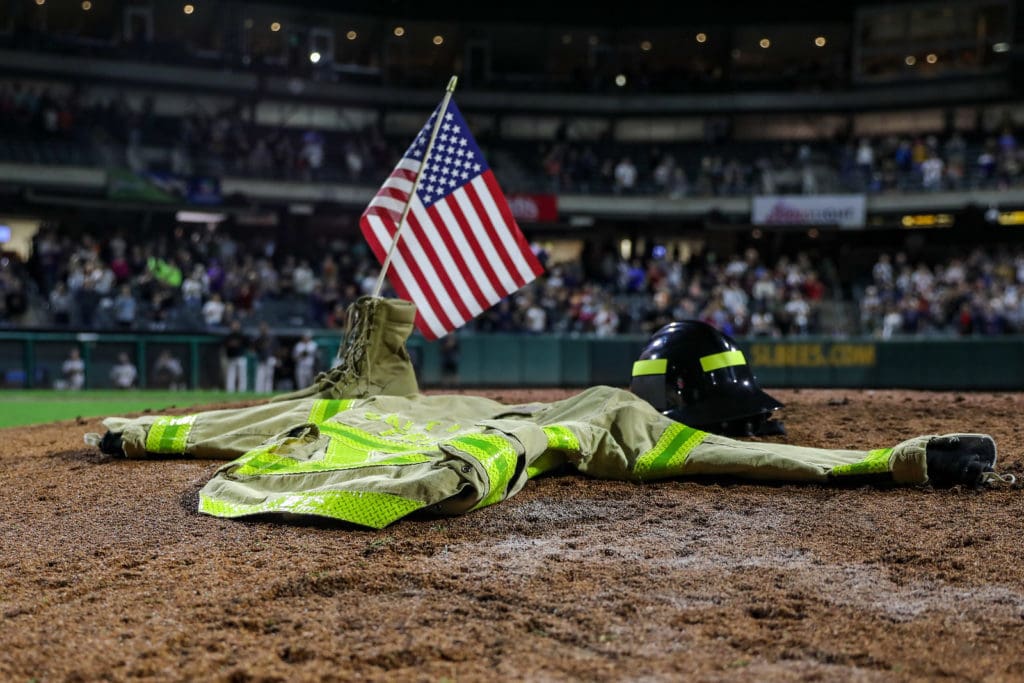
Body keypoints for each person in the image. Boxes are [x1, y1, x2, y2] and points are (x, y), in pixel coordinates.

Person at [88, 300, 1015, 532]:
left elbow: (227, 427)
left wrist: (132, 434)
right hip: (435, 477)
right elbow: (731, 456)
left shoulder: (359, 398)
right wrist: (894, 458)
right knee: (515, 448)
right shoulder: (602, 407)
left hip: (287, 478)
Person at [222, 320, 249, 393]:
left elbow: (247, 344)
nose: (234, 326)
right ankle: (230, 390)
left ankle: (242, 391)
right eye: (233, 325)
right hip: (231, 358)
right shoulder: (229, 336)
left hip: (241, 357)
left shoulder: (242, 335)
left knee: (242, 375)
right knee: (231, 375)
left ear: (239, 326)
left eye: (236, 325)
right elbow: (224, 345)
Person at [253, 322, 278, 394]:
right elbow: (255, 348)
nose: (263, 329)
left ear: (267, 329)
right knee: (260, 376)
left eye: (264, 328)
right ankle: (258, 392)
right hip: (260, 359)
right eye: (261, 328)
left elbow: (276, 349)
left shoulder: (272, 338)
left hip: (269, 358)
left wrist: (275, 358)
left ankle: (268, 391)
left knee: (269, 376)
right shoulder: (258, 338)